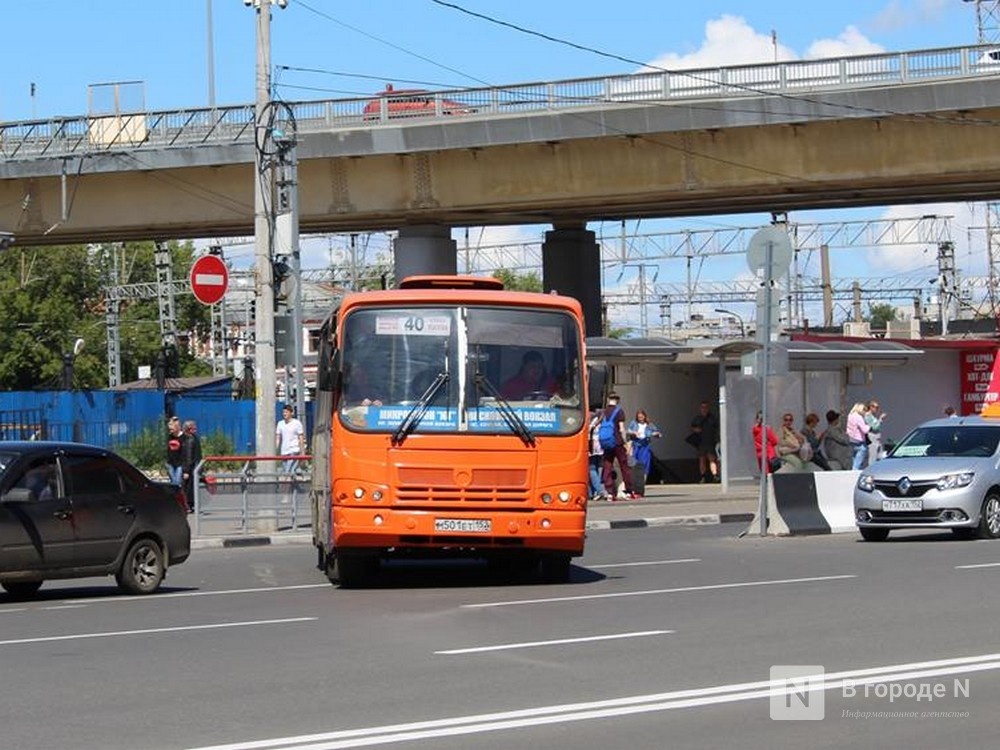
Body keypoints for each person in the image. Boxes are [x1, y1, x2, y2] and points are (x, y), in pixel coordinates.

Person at [600, 392, 640, 500]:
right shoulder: (619, 411)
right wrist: (625, 442)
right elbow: (621, 428)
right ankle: (628, 490)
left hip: (606, 442)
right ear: (617, 400)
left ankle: (609, 492)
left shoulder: (603, 412)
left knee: (607, 465)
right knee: (624, 465)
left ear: (608, 399)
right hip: (617, 441)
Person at [626, 410, 662, 481]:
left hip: (645, 445)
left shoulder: (649, 425)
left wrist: (656, 434)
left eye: (642, 417)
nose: (640, 419)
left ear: (645, 417)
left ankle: (643, 480)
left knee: (644, 463)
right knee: (634, 463)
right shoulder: (634, 423)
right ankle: (635, 480)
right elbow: (628, 431)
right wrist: (634, 432)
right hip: (636, 445)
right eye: (639, 417)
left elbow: (658, 433)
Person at [689, 401, 719, 483]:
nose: (704, 409)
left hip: (710, 442)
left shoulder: (712, 418)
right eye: (702, 407)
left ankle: (715, 475)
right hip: (701, 443)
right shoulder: (697, 419)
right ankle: (703, 477)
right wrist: (696, 430)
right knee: (702, 459)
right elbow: (692, 427)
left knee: (712, 459)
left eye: (706, 407)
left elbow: (717, 428)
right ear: (700, 409)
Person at [276, 404, 306, 474]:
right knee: (289, 472)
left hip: (294, 450)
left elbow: (301, 438)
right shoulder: (280, 424)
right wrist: (276, 449)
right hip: (284, 451)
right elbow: (278, 438)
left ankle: (287, 484)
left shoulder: (297, 423)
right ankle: (294, 485)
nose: (284, 414)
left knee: (288, 472)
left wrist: (302, 452)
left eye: (286, 412)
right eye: (283, 412)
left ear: (291, 413)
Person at [181, 419, 202, 512]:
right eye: (193, 427)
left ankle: (188, 505)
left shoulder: (189, 439)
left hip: (191, 468)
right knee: (192, 487)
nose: (196, 428)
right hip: (196, 466)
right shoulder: (194, 438)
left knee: (187, 487)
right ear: (189, 429)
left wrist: (186, 470)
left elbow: (188, 456)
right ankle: (192, 505)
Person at [846, 402, 871, 470]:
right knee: (858, 462)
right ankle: (855, 475)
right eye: (864, 410)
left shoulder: (850, 416)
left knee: (854, 459)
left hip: (851, 440)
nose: (864, 412)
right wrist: (869, 426)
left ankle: (853, 473)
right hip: (859, 441)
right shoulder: (858, 417)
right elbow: (865, 430)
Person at [587, 409, 606, 500]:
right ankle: (593, 492)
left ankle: (599, 491)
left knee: (591, 469)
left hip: (591, 447)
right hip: (600, 447)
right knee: (596, 468)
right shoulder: (602, 420)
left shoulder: (591, 422)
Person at [865, 399, 887, 464]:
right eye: (876, 407)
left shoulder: (872, 416)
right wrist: (880, 419)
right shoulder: (868, 416)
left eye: (878, 407)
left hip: (877, 439)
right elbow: (874, 427)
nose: (877, 409)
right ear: (871, 407)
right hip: (872, 438)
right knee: (873, 457)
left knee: (881, 456)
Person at [165, 415, 184, 486]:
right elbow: (169, 449)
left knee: (177, 482)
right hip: (170, 463)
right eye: (169, 429)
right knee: (173, 483)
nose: (170, 431)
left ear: (177, 427)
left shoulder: (183, 437)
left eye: (171, 429)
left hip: (180, 464)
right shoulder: (170, 436)